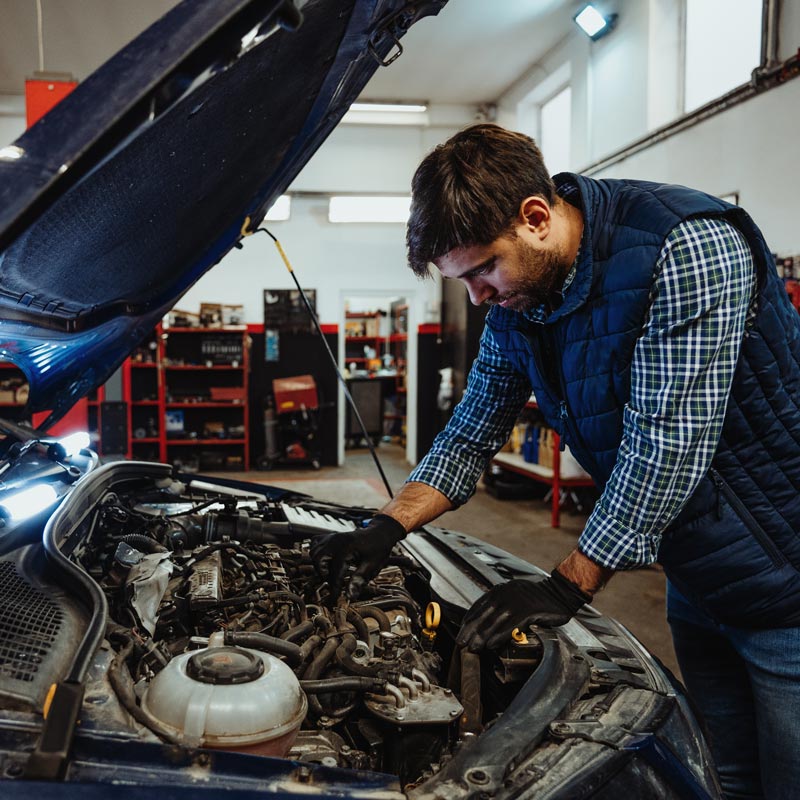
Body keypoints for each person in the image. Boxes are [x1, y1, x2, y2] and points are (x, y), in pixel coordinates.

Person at [311, 123, 800, 799]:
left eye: (483, 270)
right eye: (464, 280)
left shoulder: (686, 245)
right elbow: (473, 425)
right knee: (728, 779)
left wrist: (566, 584)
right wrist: (387, 526)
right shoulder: (522, 300)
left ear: (535, 217)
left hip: (787, 579)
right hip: (699, 574)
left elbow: (667, 444)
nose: (477, 297)